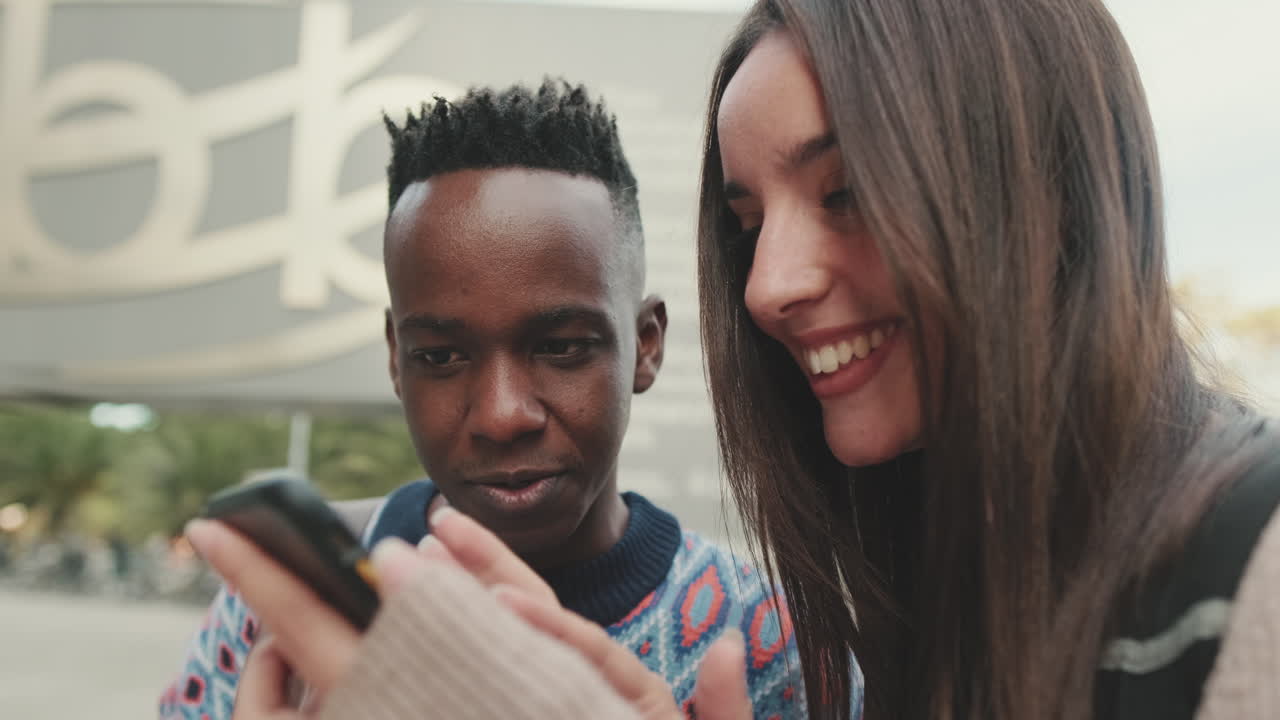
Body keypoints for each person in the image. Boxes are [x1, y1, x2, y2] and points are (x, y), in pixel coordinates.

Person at [189, 0, 1280, 718]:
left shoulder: (1248, 562)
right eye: (745, 221)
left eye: (845, 191)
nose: (766, 287)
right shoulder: (911, 602)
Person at [160, 79, 816, 720]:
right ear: (397, 357)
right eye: (441, 357)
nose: (502, 416)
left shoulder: (770, 641)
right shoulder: (281, 610)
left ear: (645, 344)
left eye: (561, 347)